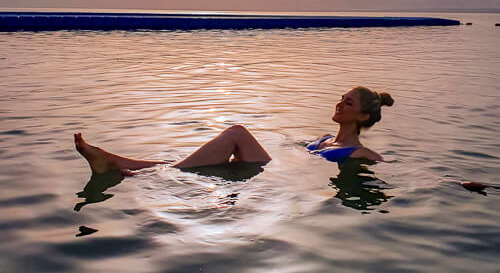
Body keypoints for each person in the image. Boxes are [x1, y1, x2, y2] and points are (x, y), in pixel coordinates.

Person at [73, 86, 394, 174]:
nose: (339, 104)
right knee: (186, 165)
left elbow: (386, 167)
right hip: (271, 172)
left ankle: (122, 166)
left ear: (363, 116)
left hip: (271, 174)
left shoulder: (361, 153)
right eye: (341, 99)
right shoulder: (322, 140)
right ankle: (121, 164)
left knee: (238, 132)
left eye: (348, 103)